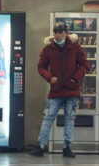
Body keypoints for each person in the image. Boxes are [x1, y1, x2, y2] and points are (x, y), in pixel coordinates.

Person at [30, 22, 90, 159]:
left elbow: (85, 64)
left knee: (69, 120)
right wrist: (49, 77)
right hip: (56, 91)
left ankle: (67, 147)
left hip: (71, 90)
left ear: (65, 33)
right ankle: (40, 146)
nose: (57, 35)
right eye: (55, 32)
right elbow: (41, 67)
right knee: (48, 118)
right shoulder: (48, 49)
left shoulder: (75, 47)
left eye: (60, 32)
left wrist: (75, 78)